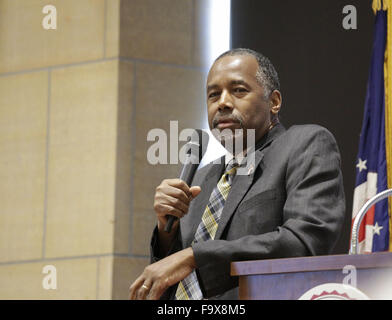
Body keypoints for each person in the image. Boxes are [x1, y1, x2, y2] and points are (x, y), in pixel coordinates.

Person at [129, 48, 345, 300]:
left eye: (238, 90)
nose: (222, 102)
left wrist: (193, 257)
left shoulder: (304, 144)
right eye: (213, 95)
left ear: (274, 101)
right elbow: (172, 274)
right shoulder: (201, 178)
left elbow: (305, 242)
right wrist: (166, 230)